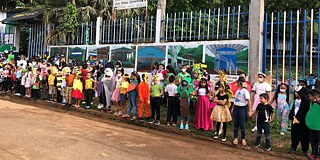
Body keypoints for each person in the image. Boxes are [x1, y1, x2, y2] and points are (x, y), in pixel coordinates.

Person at [289, 86, 310, 154]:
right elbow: (293, 109)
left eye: (297, 92)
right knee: (294, 134)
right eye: (295, 92)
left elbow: (305, 112)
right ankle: (293, 147)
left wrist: (299, 118)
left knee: (304, 136)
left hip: (303, 122)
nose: (295, 93)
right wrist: (292, 116)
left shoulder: (306, 101)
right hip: (295, 120)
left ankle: (305, 149)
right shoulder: (295, 100)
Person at [233, 77, 252, 145]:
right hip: (236, 107)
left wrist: (250, 111)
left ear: (240, 83)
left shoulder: (245, 91)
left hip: (242, 108)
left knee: (242, 124)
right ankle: (235, 138)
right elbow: (235, 100)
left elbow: (248, 101)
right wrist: (233, 108)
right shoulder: (237, 90)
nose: (236, 83)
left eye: (237, 82)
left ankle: (243, 138)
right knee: (236, 123)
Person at [306, 89, 320, 159]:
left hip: (319, 126)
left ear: (315, 97)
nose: (309, 97)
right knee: (313, 140)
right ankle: (314, 154)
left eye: (310, 96)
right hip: (312, 125)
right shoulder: (311, 103)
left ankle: (319, 155)